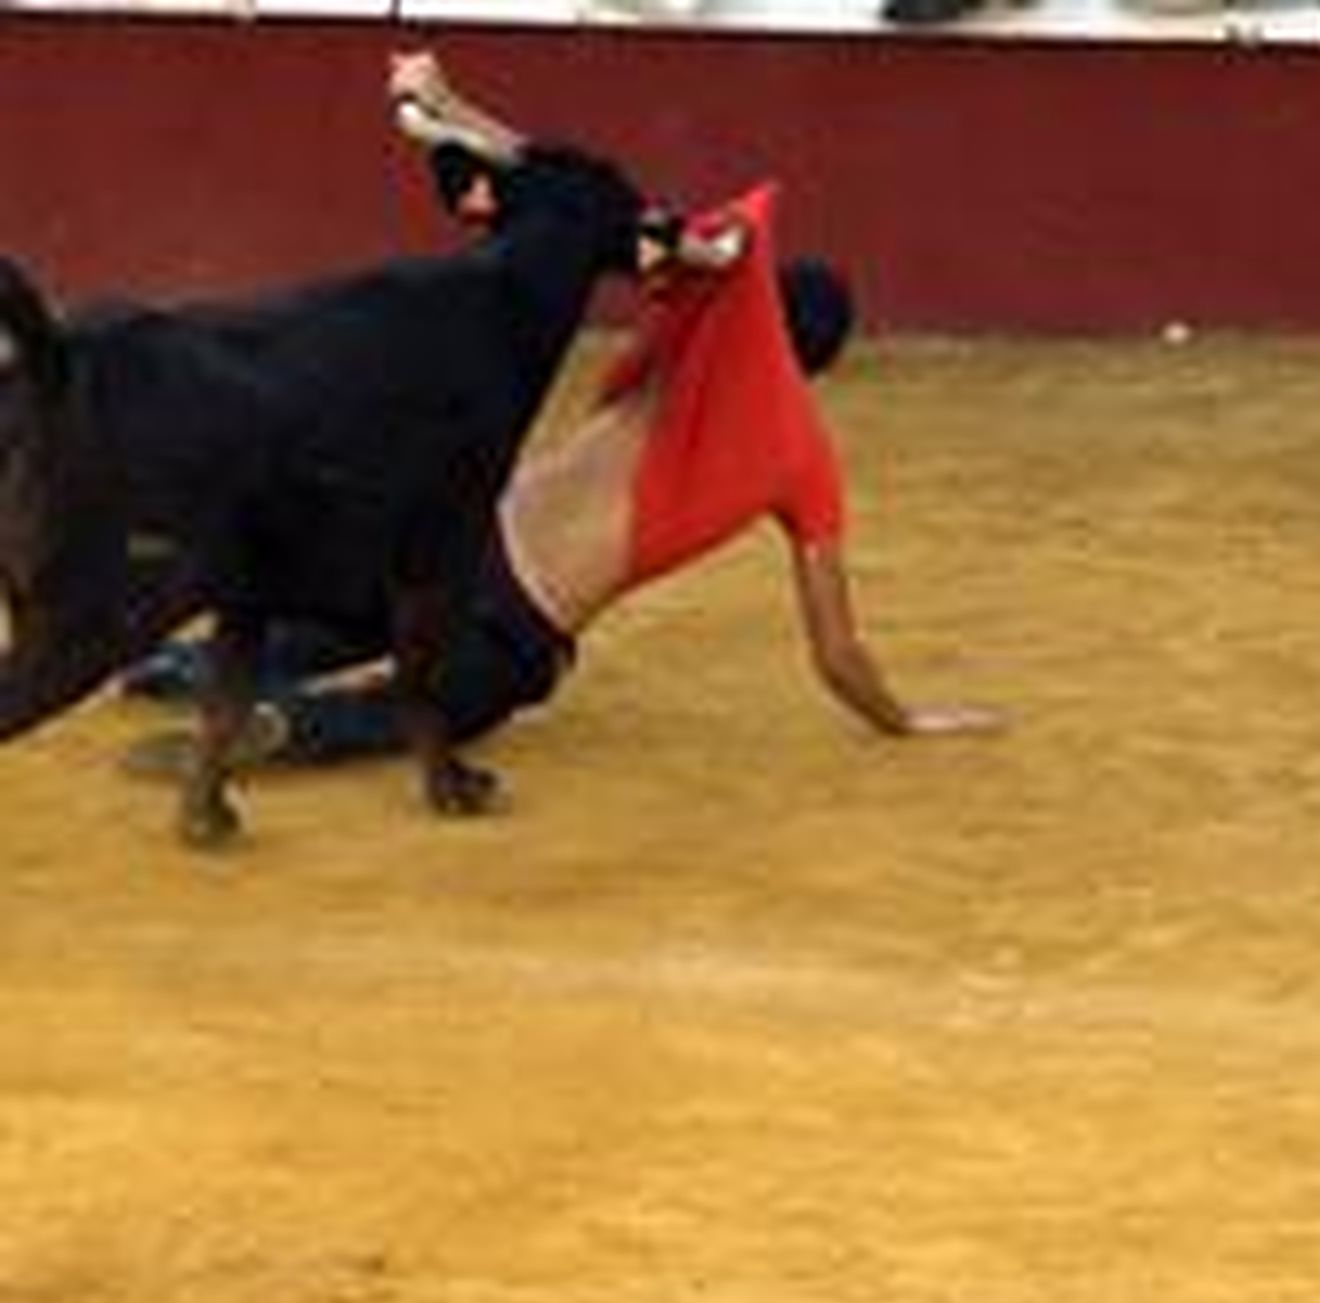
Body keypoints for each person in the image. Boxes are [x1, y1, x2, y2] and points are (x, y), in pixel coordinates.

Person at [124, 52, 999, 780]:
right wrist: (904, 719)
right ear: (818, 366)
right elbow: (837, 654)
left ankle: (192, 665)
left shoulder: (694, 328)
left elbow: (581, 201)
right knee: (425, 704)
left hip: (471, 527)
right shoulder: (801, 458)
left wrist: (453, 109)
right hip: (525, 618)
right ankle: (299, 727)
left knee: (360, 607)